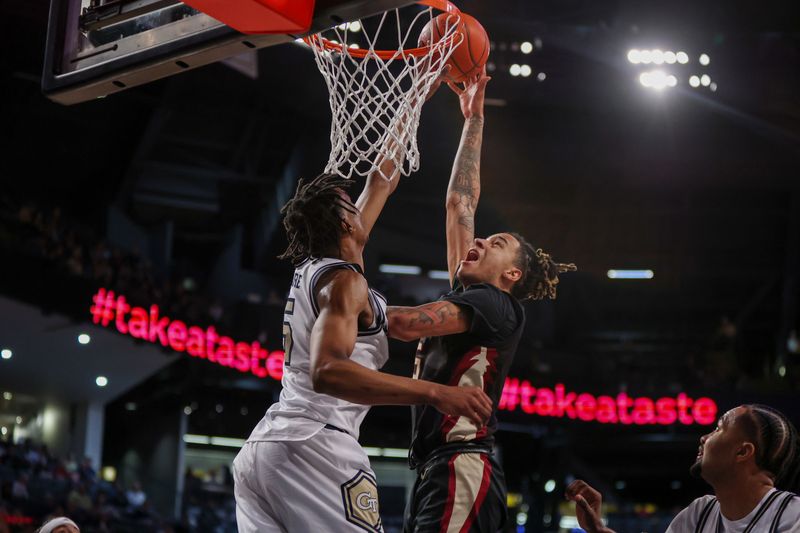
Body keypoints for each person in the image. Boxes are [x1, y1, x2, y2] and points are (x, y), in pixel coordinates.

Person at [233, 71, 493, 533]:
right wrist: (438, 392)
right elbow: (328, 370)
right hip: (315, 444)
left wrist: (417, 94)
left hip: (265, 451)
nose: (359, 201)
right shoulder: (343, 281)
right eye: (349, 204)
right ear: (346, 225)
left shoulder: (323, 267)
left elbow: (382, 178)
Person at [385, 69, 576, 532]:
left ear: (511, 274)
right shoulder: (474, 293)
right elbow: (460, 202)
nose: (483, 238)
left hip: (462, 466)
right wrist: (473, 116)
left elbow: (407, 324)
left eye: (497, 242)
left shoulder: (496, 304)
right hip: (442, 467)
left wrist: (341, 298)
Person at [566, 404, 800, 532]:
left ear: (742, 452)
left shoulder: (793, 516)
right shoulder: (699, 513)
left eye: (719, 429)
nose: (704, 438)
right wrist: (598, 529)